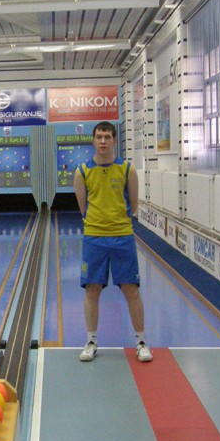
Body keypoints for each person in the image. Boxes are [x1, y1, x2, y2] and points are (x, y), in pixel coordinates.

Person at [73, 121, 153, 362]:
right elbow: (83, 207)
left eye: (107, 137)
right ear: (93, 140)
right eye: (99, 136)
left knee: (131, 289)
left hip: (122, 237)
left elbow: (133, 205)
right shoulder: (82, 171)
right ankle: (91, 341)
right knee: (92, 289)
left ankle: (141, 342)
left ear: (114, 140)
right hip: (94, 238)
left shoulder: (127, 169)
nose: (103, 141)